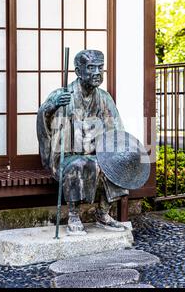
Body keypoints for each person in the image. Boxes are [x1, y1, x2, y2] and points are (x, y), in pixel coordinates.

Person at [37, 50, 129, 236]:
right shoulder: (62, 95)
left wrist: (119, 151)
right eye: (91, 67)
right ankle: (73, 215)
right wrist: (52, 106)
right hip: (68, 155)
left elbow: (116, 129)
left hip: (96, 153)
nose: (97, 72)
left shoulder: (104, 98)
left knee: (115, 162)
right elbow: (43, 122)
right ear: (78, 71)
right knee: (81, 163)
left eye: (100, 67)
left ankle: (103, 212)